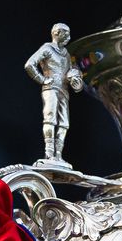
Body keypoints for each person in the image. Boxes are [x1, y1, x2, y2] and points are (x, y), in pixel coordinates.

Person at [24, 22, 83, 166]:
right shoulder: (47, 48)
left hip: (64, 91)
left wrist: (76, 82)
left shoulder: (66, 54)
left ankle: (58, 155)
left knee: (64, 123)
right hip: (51, 89)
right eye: (65, 33)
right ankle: (49, 153)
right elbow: (29, 64)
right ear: (57, 33)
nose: (68, 37)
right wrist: (42, 79)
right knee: (50, 119)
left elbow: (72, 73)